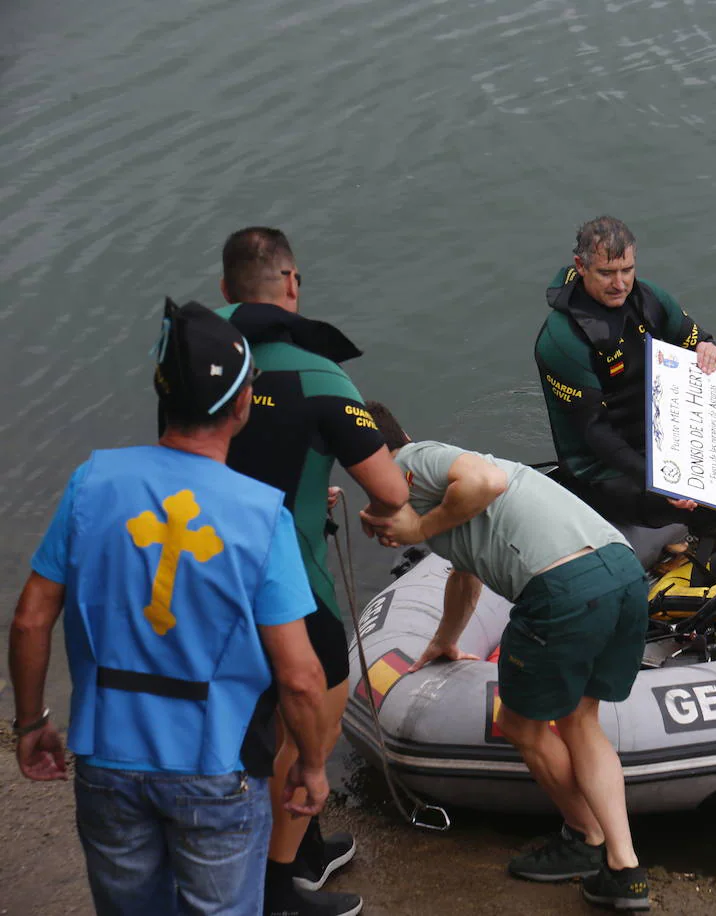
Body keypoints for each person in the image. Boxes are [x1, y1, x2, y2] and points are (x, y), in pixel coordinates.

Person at [8, 299, 330, 916]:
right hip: (216, 766)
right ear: (240, 407)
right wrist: (313, 764)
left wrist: (30, 724)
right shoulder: (262, 515)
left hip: (106, 758)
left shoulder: (92, 481)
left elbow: (30, 619)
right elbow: (300, 676)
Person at [358, 401, 654, 912]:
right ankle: (624, 870)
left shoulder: (412, 461)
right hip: (622, 572)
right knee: (582, 719)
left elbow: (486, 482)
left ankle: (586, 841)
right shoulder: (446, 499)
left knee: (523, 727)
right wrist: (446, 641)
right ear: (401, 424)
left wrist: (418, 531)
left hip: (562, 589)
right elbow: (464, 575)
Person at [216, 227, 410, 916]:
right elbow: (389, 490)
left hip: (205, 580)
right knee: (310, 731)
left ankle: (303, 848)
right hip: (287, 579)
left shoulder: (203, 365)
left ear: (224, 291)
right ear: (292, 284)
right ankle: (277, 890)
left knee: (255, 720)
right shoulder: (320, 375)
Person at [535, 215, 716, 531]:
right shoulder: (562, 339)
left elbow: (692, 334)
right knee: (705, 495)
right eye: (606, 273)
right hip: (605, 471)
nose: (620, 284)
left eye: (627, 270)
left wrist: (706, 346)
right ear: (580, 267)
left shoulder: (648, 298)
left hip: (667, 437)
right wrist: (661, 478)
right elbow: (595, 434)